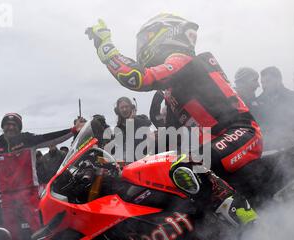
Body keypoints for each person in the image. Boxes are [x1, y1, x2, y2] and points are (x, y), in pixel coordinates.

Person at [86, 14, 260, 227]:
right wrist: (127, 167)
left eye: (146, 38)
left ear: (167, 33)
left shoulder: (183, 59)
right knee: (169, 169)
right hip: (215, 144)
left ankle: (250, 225)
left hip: (241, 132)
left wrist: (106, 49)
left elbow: (139, 78)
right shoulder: (172, 90)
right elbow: (168, 139)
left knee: (187, 166)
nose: (142, 47)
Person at [256, 66, 294, 151]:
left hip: (293, 147)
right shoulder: (258, 102)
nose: (264, 86)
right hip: (269, 150)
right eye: (262, 82)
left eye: (268, 81)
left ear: (278, 80)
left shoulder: (292, 97)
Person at [114, 96, 152, 162]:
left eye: (126, 106)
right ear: (118, 111)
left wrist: (134, 120)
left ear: (132, 108)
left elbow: (148, 123)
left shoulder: (141, 118)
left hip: (144, 158)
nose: (124, 109)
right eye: (122, 108)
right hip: (129, 162)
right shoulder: (118, 128)